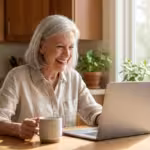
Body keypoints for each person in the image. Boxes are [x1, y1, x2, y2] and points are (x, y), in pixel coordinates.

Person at [0, 15, 102, 140]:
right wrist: (19, 129)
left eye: (70, 47)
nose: (67, 54)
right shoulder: (17, 77)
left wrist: (105, 119)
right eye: (60, 46)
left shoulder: (74, 78)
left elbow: (92, 111)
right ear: (41, 47)